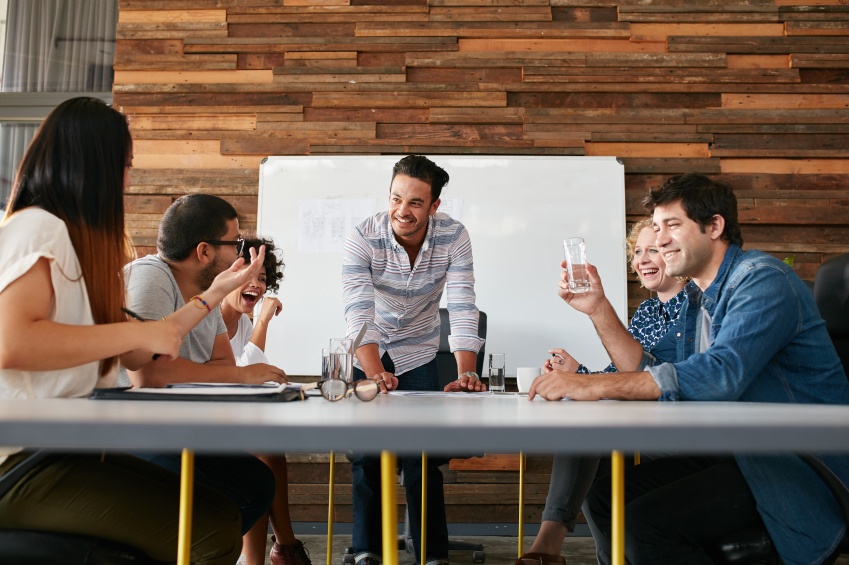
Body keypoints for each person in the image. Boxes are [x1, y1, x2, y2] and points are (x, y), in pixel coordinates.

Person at [530, 173, 849, 565]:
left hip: (791, 466)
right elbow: (658, 372)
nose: (660, 240)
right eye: (657, 226)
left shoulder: (762, 280)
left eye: (673, 225)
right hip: (736, 452)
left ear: (715, 226)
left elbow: (719, 375)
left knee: (643, 525)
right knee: (604, 500)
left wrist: (593, 385)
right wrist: (597, 308)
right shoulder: (698, 300)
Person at [0, 96, 259, 563]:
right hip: (22, 462)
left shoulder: (79, 247)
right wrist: (136, 336)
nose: (129, 178)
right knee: (207, 531)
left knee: (220, 515)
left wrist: (214, 294)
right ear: (95, 166)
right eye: (125, 164)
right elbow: (13, 343)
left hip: (65, 450)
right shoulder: (38, 228)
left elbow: (148, 345)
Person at [124, 194, 289, 553]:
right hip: (133, 436)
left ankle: (191, 549)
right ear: (204, 251)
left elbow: (222, 366)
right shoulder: (152, 275)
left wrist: (212, 372)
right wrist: (244, 376)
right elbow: (148, 374)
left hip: (180, 428)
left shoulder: (207, 291)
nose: (240, 254)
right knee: (235, 497)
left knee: (257, 483)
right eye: (235, 243)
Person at [342, 155, 486, 565]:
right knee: (366, 456)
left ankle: (432, 555)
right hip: (367, 352)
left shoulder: (454, 237)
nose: (402, 211)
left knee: (421, 455)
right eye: (396, 198)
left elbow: (461, 306)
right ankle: (367, 550)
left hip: (419, 352)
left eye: (416, 203)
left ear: (435, 206)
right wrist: (374, 372)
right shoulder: (362, 237)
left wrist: (467, 373)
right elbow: (358, 311)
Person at [516, 218, 686, 565]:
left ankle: (548, 545)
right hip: (640, 427)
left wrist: (585, 384)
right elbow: (618, 378)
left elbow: (661, 379)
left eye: (652, 249)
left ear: (676, 253)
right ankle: (592, 555)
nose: (641, 259)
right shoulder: (648, 312)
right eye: (637, 252)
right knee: (592, 441)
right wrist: (578, 374)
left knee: (590, 431)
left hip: (680, 430)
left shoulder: (695, 308)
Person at [220, 235, 311, 565]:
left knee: (264, 447)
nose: (256, 286)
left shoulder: (241, 323)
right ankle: (285, 546)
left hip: (228, 423)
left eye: (263, 278)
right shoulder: (208, 317)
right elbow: (244, 371)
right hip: (197, 426)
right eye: (248, 275)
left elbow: (249, 378)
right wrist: (263, 321)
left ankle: (267, 556)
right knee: (260, 453)